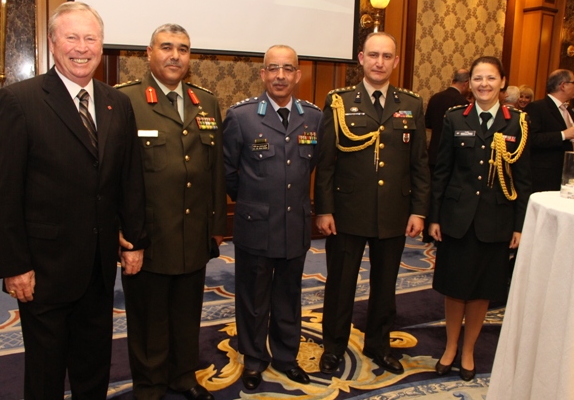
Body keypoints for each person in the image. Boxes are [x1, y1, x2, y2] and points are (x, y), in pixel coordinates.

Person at [0, 2, 148, 399]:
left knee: (94, 363)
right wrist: (14, 265)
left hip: (98, 265)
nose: (82, 47)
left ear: (101, 45)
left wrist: (135, 240)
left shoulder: (117, 103)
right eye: (72, 37)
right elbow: (1, 193)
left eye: (91, 38)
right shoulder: (18, 101)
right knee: (46, 370)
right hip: (44, 269)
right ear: (53, 43)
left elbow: (129, 178)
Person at [117, 24, 226, 400]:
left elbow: (214, 169)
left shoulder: (205, 101)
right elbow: (116, 175)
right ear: (149, 53)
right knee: (149, 318)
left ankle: (183, 376)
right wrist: (125, 234)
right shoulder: (126, 100)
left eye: (183, 48)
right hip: (149, 234)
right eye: (166, 47)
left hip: (193, 231)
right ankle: (149, 386)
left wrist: (216, 225)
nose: (175, 55)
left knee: (186, 313)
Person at [314, 32, 430, 376]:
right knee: (340, 285)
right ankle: (333, 347)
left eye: (387, 56)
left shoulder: (411, 103)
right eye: (373, 55)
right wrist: (324, 209)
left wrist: (419, 209)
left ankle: (379, 346)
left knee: (385, 285)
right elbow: (326, 162)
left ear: (396, 61)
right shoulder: (339, 101)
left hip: (394, 211)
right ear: (361, 59)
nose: (380, 62)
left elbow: (419, 163)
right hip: (347, 211)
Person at [223, 45, 323, 391]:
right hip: (256, 225)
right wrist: (252, 200)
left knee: (289, 296)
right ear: (263, 74)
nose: (280, 76)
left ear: (298, 75)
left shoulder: (313, 117)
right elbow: (227, 170)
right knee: (253, 298)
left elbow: (313, 166)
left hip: (295, 224)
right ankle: (253, 360)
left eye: (288, 69)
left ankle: (285, 357)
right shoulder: (242, 116)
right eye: (273, 69)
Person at [428, 56, 531, 381]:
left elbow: (523, 180)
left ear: (502, 82)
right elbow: (441, 170)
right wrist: (434, 217)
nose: (484, 84)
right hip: (456, 217)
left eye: (490, 78)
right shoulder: (454, 118)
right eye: (477, 78)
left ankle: (469, 350)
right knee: (455, 286)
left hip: (495, 220)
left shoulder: (518, 123)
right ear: (469, 83)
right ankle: (450, 346)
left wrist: (520, 226)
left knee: (481, 289)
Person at [525, 69, 574, 192]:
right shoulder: (537, 107)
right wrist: (563, 135)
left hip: (567, 175)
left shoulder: (568, 111)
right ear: (563, 85)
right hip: (545, 178)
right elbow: (532, 139)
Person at [425, 69, 470, 172]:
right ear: (466, 83)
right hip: (452, 157)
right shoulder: (462, 102)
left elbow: (427, 123)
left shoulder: (435, 97)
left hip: (433, 154)